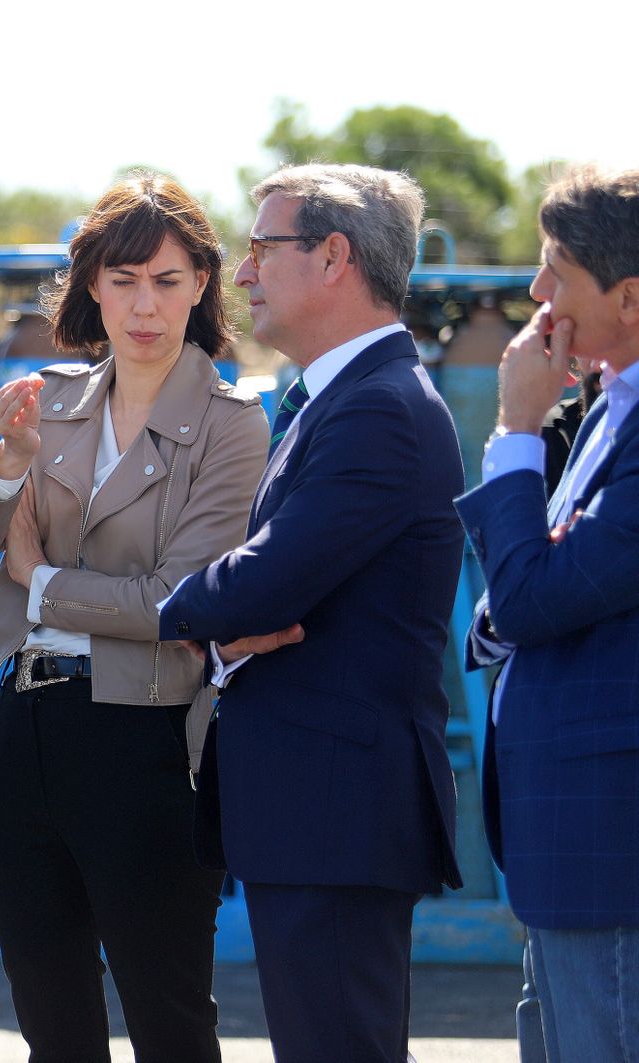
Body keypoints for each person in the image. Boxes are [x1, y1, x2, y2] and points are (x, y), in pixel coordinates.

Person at [0, 172, 268, 1062]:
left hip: (147, 743)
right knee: (54, 1028)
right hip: (21, 731)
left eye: (166, 280)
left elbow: (176, 599)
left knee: (169, 1023)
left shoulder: (234, 423)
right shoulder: (53, 398)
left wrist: (41, 584)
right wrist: (10, 458)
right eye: (122, 280)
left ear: (203, 283)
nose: (144, 305)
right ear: (91, 286)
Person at [157, 163, 466, 1063]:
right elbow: (261, 585)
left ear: (333, 256)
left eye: (261, 247)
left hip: (337, 815)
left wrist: (173, 602)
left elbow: (261, 585)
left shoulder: (379, 409)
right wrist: (229, 607)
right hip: (317, 814)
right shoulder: (342, 399)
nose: (242, 273)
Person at [457, 165, 639, 1061]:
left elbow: (530, 596)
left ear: (631, 297)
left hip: (609, 852)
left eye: (556, 268)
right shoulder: (611, 404)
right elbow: (531, 588)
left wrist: (518, 426)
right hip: (567, 847)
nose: (536, 293)